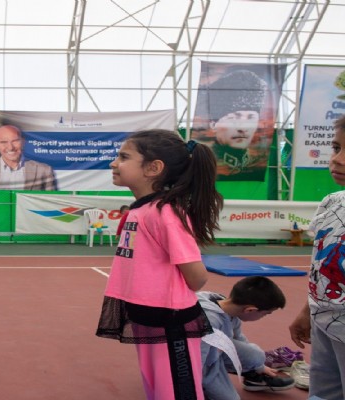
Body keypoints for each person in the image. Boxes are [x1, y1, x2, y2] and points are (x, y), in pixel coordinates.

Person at [96, 129, 224, 400]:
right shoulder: (140, 210)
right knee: (157, 389)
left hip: (171, 321)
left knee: (178, 392)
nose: (113, 163)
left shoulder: (165, 213)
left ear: (153, 168)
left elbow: (196, 277)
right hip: (146, 317)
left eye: (123, 157)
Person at [288, 114, 345, 400]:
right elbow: (321, 269)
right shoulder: (331, 203)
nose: (337, 159)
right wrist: (308, 309)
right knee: (323, 393)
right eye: (336, 148)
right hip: (325, 322)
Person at [198, 276, 294, 399]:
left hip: (214, 352)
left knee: (256, 356)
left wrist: (258, 366)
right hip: (201, 361)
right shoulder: (209, 322)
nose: (263, 317)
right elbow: (197, 361)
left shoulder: (226, 305)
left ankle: (252, 376)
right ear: (250, 310)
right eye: (265, 314)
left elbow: (239, 339)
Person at [193, 70, 270, 179]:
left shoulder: (258, 162)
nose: (243, 128)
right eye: (234, 118)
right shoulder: (201, 162)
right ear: (213, 124)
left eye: (250, 118)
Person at [0, 124, 57, 190]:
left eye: (15, 141)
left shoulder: (44, 171)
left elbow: (50, 201)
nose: (10, 147)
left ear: (23, 142)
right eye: (4, 142)